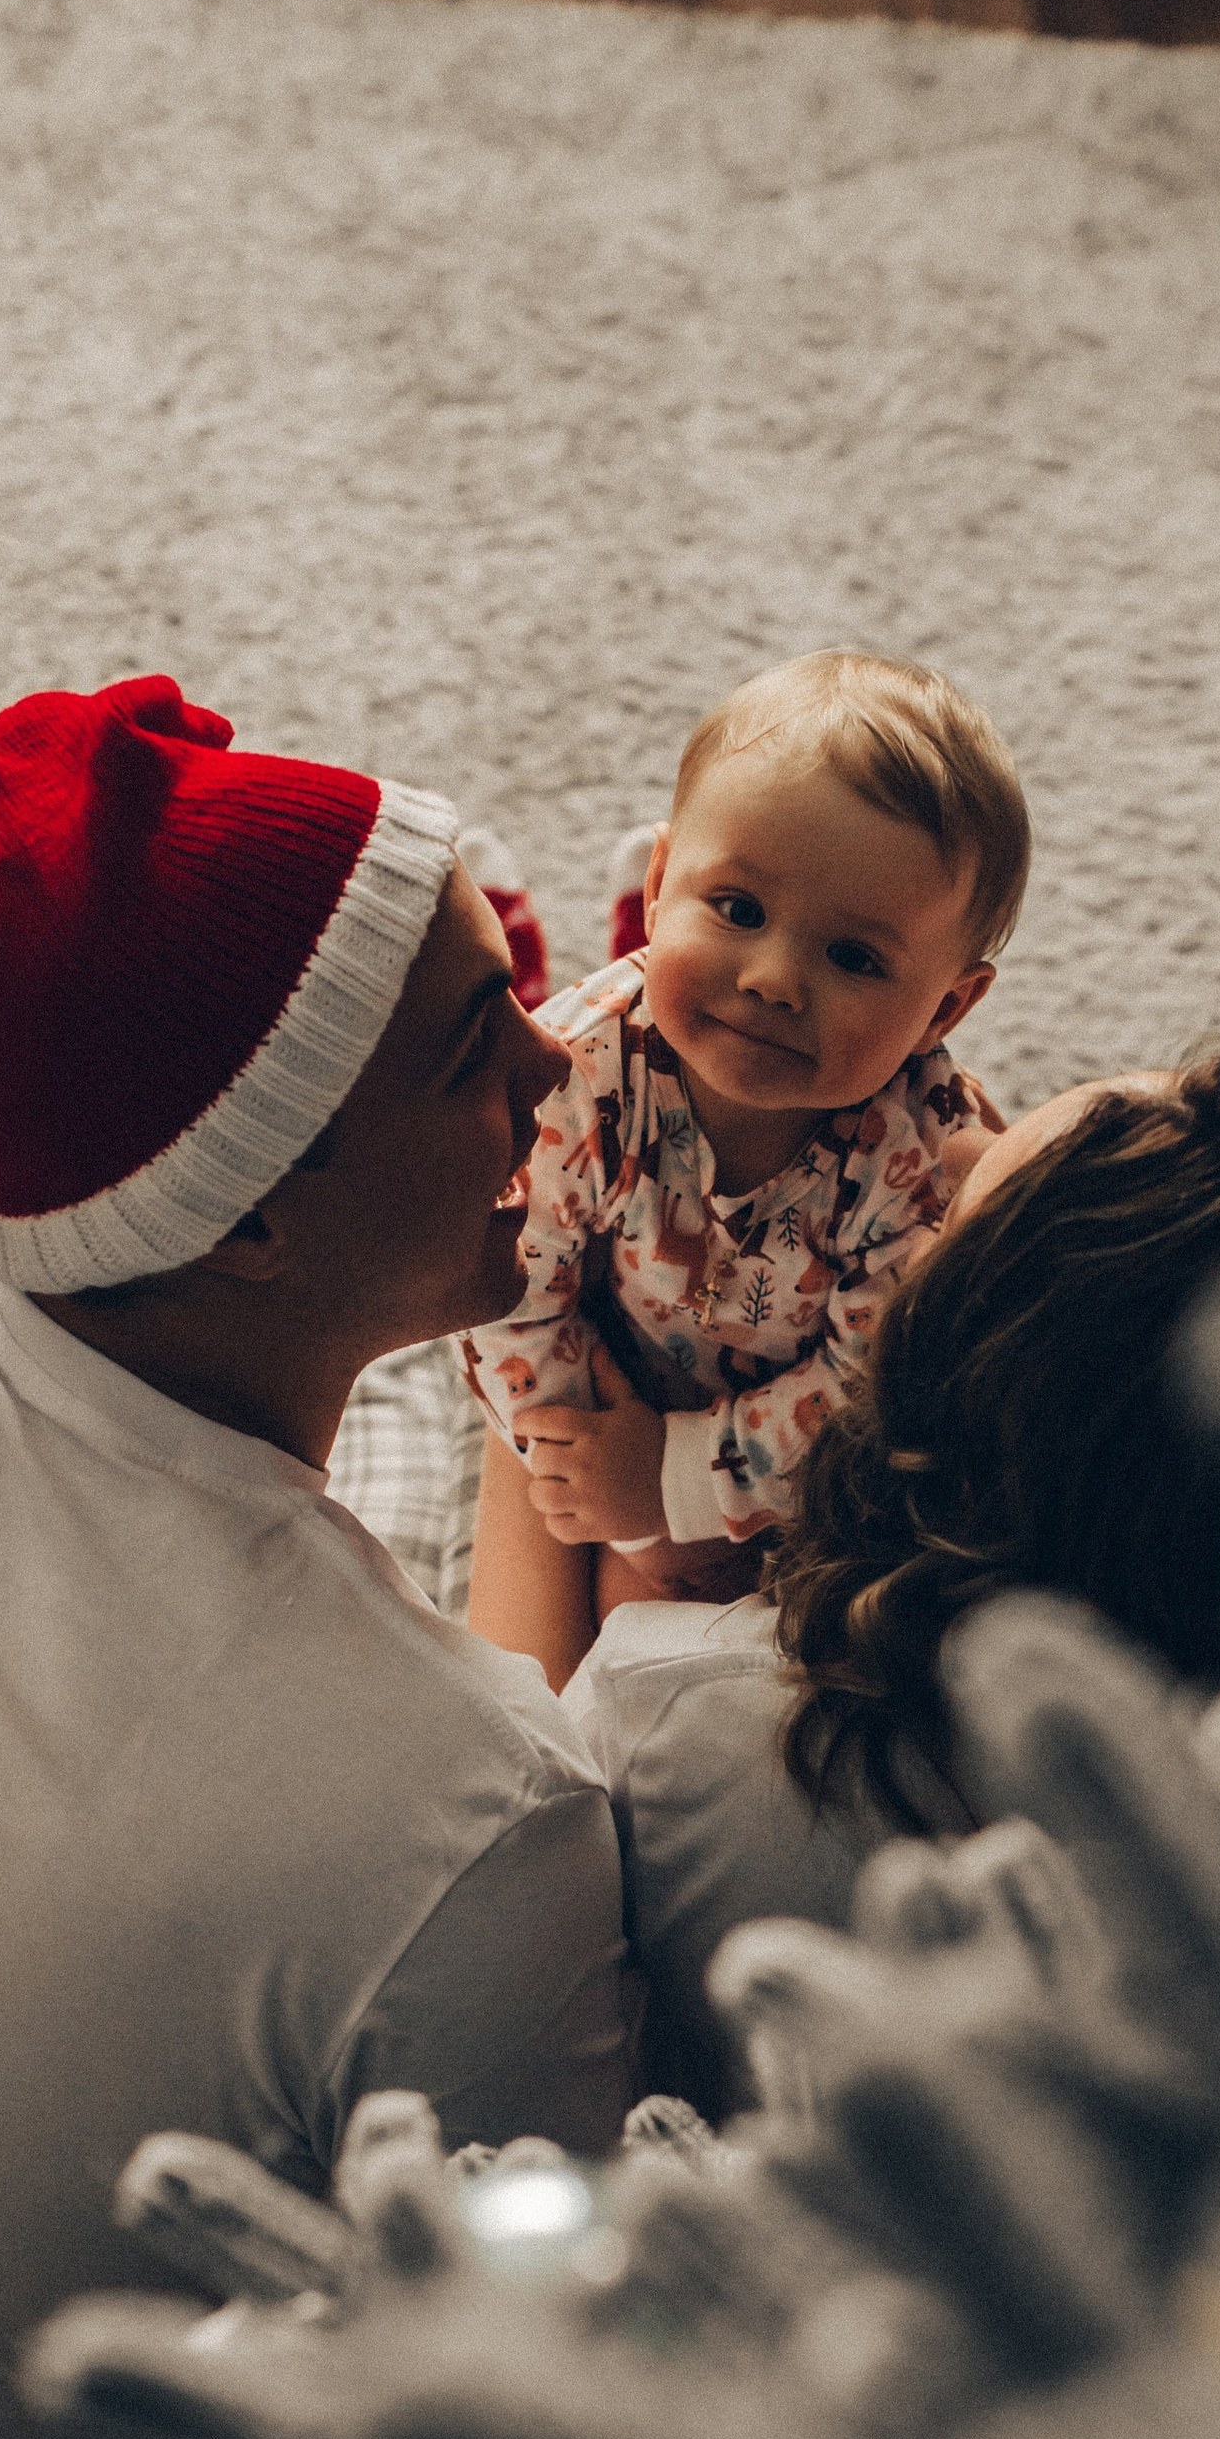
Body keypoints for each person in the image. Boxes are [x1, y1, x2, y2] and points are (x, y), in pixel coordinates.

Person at [0, 677, 635, 2439]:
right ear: (246, 1220)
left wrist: (433, 1002)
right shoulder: (476, 1801)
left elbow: (105, 986)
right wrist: (595, 1438)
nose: (566, 1067)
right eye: (486, 1043)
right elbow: (546, 2326)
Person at [563, 1044, 1220, 2111]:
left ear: (951, 1370)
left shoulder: (670, 1717)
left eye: (955, 1216)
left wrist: (560, 1350)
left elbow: (521, 1798)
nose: (945, 1144)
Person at [460, 652, 1019, 1693]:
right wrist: (596, 1469)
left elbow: (872, 1377)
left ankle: (672, 943)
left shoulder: (919, 1151)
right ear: (675, 869)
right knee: (525, 1676)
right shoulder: (575, 1077)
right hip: (605, 1359)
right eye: (737, 908)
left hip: (777, 1421)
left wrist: (684, 1479)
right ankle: (563, 973)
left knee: (758, 1665)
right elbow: (509, 1295)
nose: (772, 982)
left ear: (944, 1010)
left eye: (853, 958)